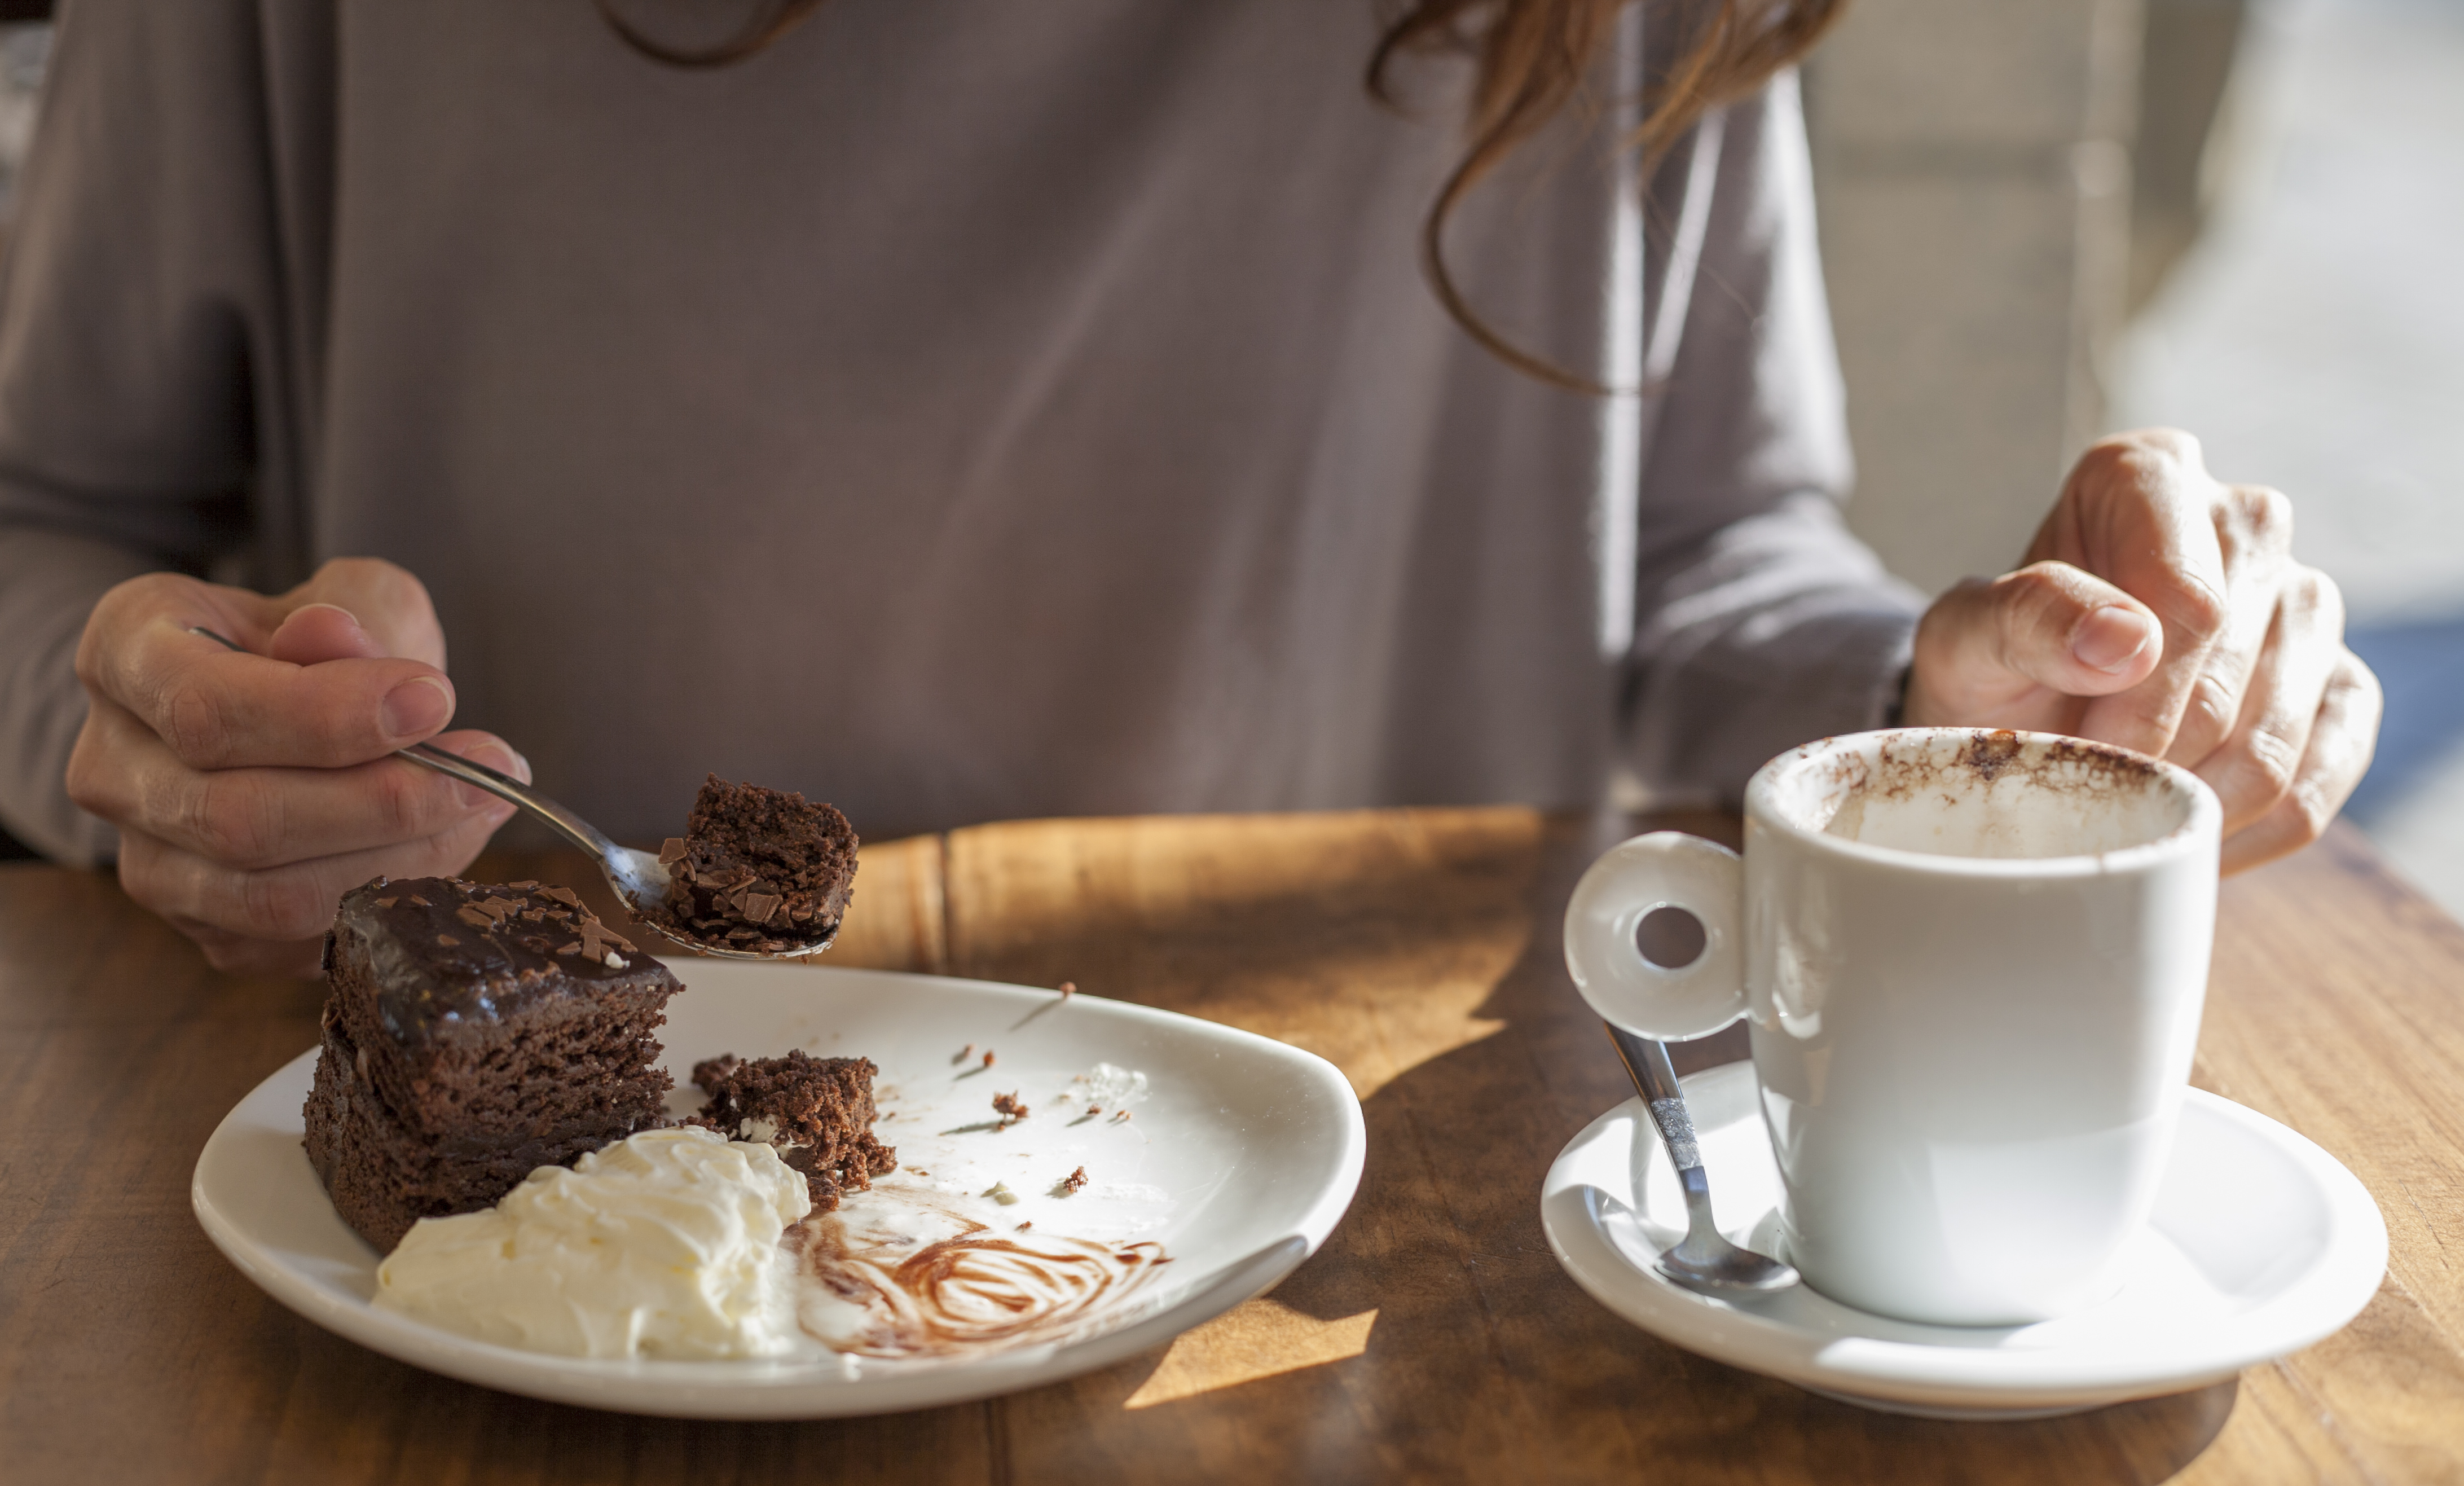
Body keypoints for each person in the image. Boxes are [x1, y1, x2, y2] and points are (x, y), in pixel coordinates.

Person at [0, 0, 2379, 976]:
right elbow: (43, 517)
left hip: (1362, 1274)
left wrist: (1947, 705)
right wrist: (139, 739)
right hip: (466, 1255)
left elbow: (1689, 572)